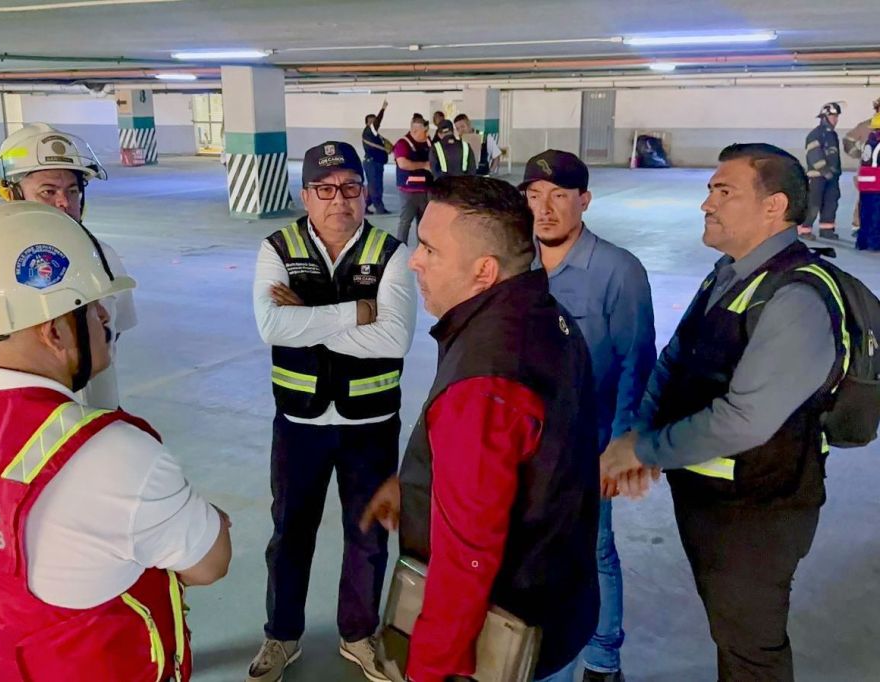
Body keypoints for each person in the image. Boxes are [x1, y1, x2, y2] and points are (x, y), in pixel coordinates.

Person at [0, 202, 231, 682]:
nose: (105, 319)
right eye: (92, 309)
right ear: (54, 331)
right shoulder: (112, 454)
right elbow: (208, 564)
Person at [602, 143, 847, 682]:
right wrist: (640, 431)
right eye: (710, 189)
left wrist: (644, 449)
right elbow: (676, 357)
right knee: (730, 630)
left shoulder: (796, 299)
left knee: (750, 649)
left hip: (759, 512)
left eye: (724, 191)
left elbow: (744, 419)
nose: (706, 204)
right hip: (711, 497)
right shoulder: (729, 273)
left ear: (773, 206)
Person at [362, 175, 600, 682]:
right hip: (561, 597)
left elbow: (467, 560)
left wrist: (429, 669)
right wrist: (420, 484)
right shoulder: (544, 316)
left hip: (508, 630)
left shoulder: (483, 383)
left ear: (484, 271)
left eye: (430, 249)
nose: (414, 260)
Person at [249, 141, 416, 682]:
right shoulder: (278, 248)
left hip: (371, 425)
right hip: (299, 423)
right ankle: (282, 635)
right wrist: (358, 312)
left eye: (349, 187)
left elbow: (394, 339)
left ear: (365, 193)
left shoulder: (391, 253)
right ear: (305, 195)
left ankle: (358, 634)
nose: (338, 200)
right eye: (324, 189)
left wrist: (312, 316)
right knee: (289, 532)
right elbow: (273, 326)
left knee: (368, 534)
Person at [521, 150, 656, 682]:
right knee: (529, 548)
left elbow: (635, 362)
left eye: (559, 196)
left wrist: (622, 446)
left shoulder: (617, 271)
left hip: (589, 446)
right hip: (524, 444)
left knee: (594, 549)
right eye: (534, 196)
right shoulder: (516, 263)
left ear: (585, 200)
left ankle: (603, 657)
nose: (545, 208)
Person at [0, 122, 137, 409]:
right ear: (11, 194)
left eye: (73, 191)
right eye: (48, 192)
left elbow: (115, 332)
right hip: (27, 423)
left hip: (98, 416)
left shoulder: (103, 257)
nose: (64, 202)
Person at [799, 102, 843, 240]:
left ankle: (826, 230)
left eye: (836, 116)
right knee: (814, 203)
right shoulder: (815, 135)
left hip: (832, 176)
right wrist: (824, 170)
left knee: (831, 202)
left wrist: (835, 172)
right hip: (817, 177)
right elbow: (814, 154)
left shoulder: (832, 135)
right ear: (824, 117)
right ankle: (804, 229)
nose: (836, 119)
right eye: (833, 116)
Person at [393, 117, 433, 244]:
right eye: (424, 132)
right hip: (409, 192)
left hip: (426, 190)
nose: (426, 134)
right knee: (405, 222)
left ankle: (423, 248)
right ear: (415, 130)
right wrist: (424, 165)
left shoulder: (428, 142)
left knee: (424, 223)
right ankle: (400, 248)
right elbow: (403, 164)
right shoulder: (402, 144)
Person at [845, 97, 880, 239]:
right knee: (865, 199)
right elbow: (848, 140)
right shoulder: (865, 126)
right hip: (868, 172)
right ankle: (858, 225)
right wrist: (857, 153)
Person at [362, 99, 392, 215]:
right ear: (367, 123)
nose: (374, 123)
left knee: (373, 186)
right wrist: (383, 109)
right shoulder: (369, 131)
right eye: (372, 121)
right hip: (372, 163)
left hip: (375, 163)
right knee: (376, 186)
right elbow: (377, 122)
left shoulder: (375, 135)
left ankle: (364, 206)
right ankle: (379, 208)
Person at [856, 113, 880, 252]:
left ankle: (862, 242)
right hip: (877, 184)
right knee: (876, 215)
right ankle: (874, 243)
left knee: (865, 213)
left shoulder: (869, 142)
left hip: (866, 184)